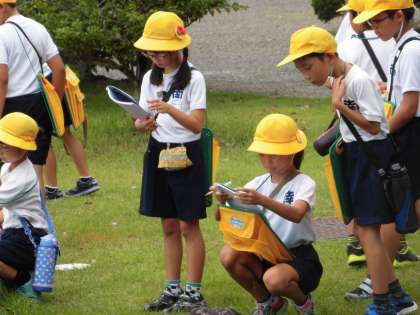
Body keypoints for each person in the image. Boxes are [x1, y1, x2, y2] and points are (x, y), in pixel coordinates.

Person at [277, 26, 417, 315]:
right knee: (363, 230)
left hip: (371, 159)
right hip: (356, 156)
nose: (306, 76)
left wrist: (339, 104)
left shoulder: (357, 80)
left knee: (368, 231)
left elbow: (376, 125)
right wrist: (333, 88)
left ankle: (382, 304)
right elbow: (338, 85)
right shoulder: (341, 77)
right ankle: (399, 298)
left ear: (329, 56)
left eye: (308, 67)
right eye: (300, 70)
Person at [336, 0, 419, 300]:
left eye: (378, 21)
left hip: (408, 135)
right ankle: (382, 280)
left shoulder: (411, 49)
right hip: (403, 131)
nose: (373, 27)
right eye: (369, 21)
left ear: (399, 15)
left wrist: (382, 133)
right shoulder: (402, 45)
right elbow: (402, 96)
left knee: (402, 208)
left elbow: (409, 107)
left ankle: (379, 279)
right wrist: (385, 90)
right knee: (403, 208)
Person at [133, 11, 207, 313]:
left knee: (189, 225)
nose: (157, 57)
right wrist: (144, 124)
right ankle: (172, 288)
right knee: (168, 225)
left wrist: (168, 109)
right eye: (152, 52)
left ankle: (194, 291)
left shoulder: (195, 78)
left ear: (178, 47)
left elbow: (196, 125)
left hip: (186, 155)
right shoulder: (151, 78)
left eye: (161, 51)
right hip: (158, 152)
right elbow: (141, 119)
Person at [214, 114, 323, 315]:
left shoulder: (304, 183)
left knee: (274, 280)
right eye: (262, 154)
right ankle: (268, 301)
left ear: (293, 152)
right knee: (228, 255)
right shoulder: (257, 183)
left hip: (297, 256)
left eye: (274, 154)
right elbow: (219, 217)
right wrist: (223, 200)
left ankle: (303, 302)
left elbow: (297, 214)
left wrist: (261, 200)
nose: (267, 160)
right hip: (263, 253)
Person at [0, 0, 65, 195]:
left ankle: (11, 223)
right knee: (36, 170)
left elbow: (2, 79)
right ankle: (39, 222)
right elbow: (59, 69)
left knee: (8, 171)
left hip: (11, 106)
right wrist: (55, 106)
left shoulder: (2, 34)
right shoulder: (38, 28)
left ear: (2, 8)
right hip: (39, 104)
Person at [0, 113, 48, 294]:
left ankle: (24, 280)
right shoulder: (7, 168)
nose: (0, 148)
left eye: (5, 145)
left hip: (29, 240)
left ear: (23, 148)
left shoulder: (23, 177)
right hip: (13, 233)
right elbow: (6, 211)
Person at [41, 65, 99, 200]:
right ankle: (86, 180)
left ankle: (52, 189)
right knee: (65, 133)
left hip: (42, 83)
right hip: (56, 78)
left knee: (42, 138)